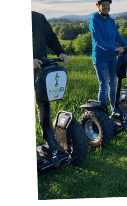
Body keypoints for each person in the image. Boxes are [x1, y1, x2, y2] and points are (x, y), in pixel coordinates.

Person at [32, 10, 71, 154]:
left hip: (40, 71)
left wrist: (60, 52)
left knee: (43, 105)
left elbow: (51, 37)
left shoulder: (38, 18)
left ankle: (49, 139)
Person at [89, 0, 127, 116]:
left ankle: (115, 110)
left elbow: (118, 37)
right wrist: (114, 48)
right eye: (104, 5)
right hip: (100, 57)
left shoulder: (112, 21)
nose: (106, 7)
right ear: (98, 6)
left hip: (112, 58)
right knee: (104, 86)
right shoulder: (94, 21)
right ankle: (102, 114)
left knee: (114, 86)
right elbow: (98, 41)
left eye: (108, 5)